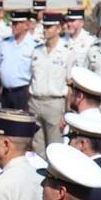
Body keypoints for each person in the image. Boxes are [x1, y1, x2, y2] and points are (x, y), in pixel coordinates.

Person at [28, 11, 74, 155]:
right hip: (35, 101)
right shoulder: (36, 51)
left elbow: (70, 83)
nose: (45, 30)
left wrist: (67, 111)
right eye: (44, 26)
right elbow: (31, 77)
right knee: (37, 145)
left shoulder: (66, 52)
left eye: (49, 27)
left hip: (55, 103)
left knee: (55, 146)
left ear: (59, 29)